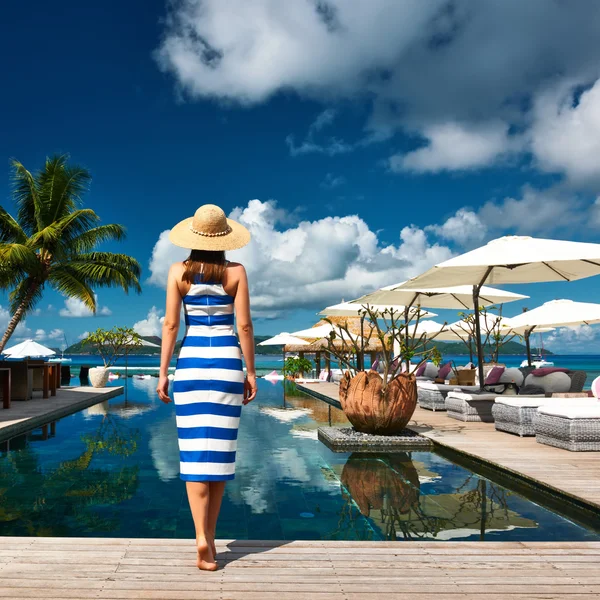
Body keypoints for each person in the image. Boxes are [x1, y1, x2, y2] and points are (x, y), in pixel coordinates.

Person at [156, 204, 257, 571]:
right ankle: (210, 540)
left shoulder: (177, 273)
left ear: (194, 236)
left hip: (191, 366)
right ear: (224, 239)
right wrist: (251, 372)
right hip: (228, 363)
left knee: (196, 455)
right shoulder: (236, 273)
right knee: (220, 455)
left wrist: (163, 372)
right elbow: (244, 327)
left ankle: (201, 538)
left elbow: (170, 325)